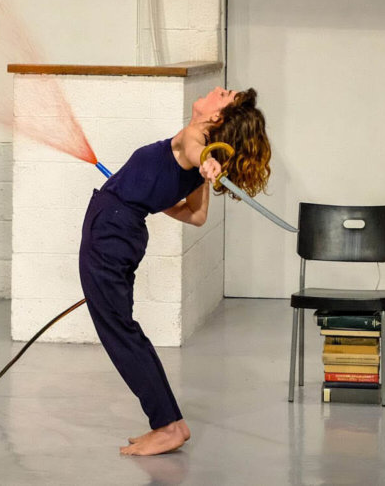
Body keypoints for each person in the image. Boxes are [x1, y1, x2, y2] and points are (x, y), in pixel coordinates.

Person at [78, 86, 271, 456]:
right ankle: (171, 423)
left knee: (120, 333)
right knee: (125, 330)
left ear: (217, 118)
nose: (218, 90)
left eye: (225, 95)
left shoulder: (194, 138)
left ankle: (167, 427)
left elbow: (196, 149)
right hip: (122, 228)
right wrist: (150, 198)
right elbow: (196, 215)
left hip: (112, 231)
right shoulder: (196, 156)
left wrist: (208, 161)